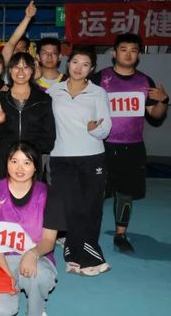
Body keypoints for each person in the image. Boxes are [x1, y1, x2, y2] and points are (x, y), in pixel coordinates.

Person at [90, 33, 168, 253]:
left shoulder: (145, 81)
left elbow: (156, 114)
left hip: (133, 147)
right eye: (123, 49)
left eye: (133, 50)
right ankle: (88, 233)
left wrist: (163, 101)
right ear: (115, 53)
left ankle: (121, 235)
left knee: (126, 193)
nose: (128, 54)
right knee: (96, 193)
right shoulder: (100, 78)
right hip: (102, 146)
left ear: (138, 55)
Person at [0, 142, 65, 316]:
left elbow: (49, 240)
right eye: (14, 161)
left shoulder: (49, 195)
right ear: (7, 163)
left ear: (35, 167)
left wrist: (32, 254)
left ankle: (37, 310)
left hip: (37, 256)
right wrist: (6, 275)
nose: (19, 168)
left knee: (40, 276)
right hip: (0, 258)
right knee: (0, 310)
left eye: (27, 162)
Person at [47, 47, 112, 276]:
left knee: (91, 208)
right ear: (68, 63)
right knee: (71, 208)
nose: (78, 68)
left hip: (92, 156)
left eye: (85, 64)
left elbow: (106, 128)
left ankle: (75, 256)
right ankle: (88, 256)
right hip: (61, 157)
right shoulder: (54, 91)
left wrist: (94, 129)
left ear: (91, 69)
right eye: (75, 62)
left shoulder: (98, 93)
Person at [0, 52, 56, 181]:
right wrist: (0, 122)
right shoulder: (0, 99)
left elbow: (49, 136)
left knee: (31, 193)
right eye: (16, 66)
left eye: (25, 67)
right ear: (10, 70)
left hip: (31, 160)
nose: (21, 71)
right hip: (4, 160)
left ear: (32, 70)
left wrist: (30, 151)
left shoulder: (43, 99)